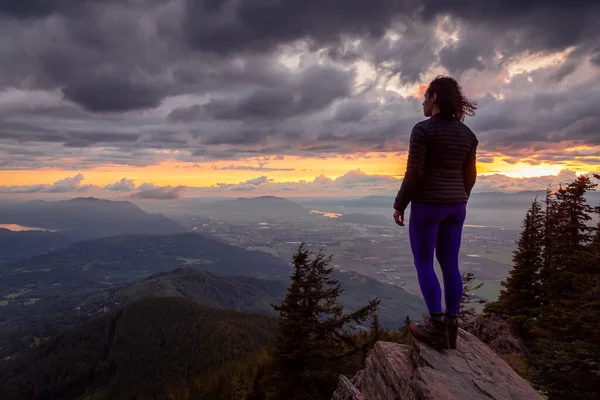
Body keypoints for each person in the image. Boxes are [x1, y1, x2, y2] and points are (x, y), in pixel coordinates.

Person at [393, 75, 478, 350]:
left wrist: (400, 203)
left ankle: (436, 327)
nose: (422, 102)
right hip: (457, 207)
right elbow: (471, 176)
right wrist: (461, 197)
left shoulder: (422, 130)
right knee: (450, 264)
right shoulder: (468, 135)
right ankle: (451, 329)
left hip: (428, 206)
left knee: (423, 263)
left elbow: (414, 172)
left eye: (425, 97)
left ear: (433, 98)